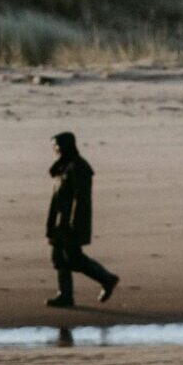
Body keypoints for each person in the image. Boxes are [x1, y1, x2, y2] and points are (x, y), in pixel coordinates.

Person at [46, 131, 119, 308]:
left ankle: (107, 279)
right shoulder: (62, 166)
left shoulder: (79, 167)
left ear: (67, 146)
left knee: (74, 258)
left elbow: (81, 199)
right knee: (59, 256)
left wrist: (72, 223)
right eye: (54, 146)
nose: (55, 149)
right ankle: (65, 295)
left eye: (57, 145)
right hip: (59, 220)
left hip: (71, 222)